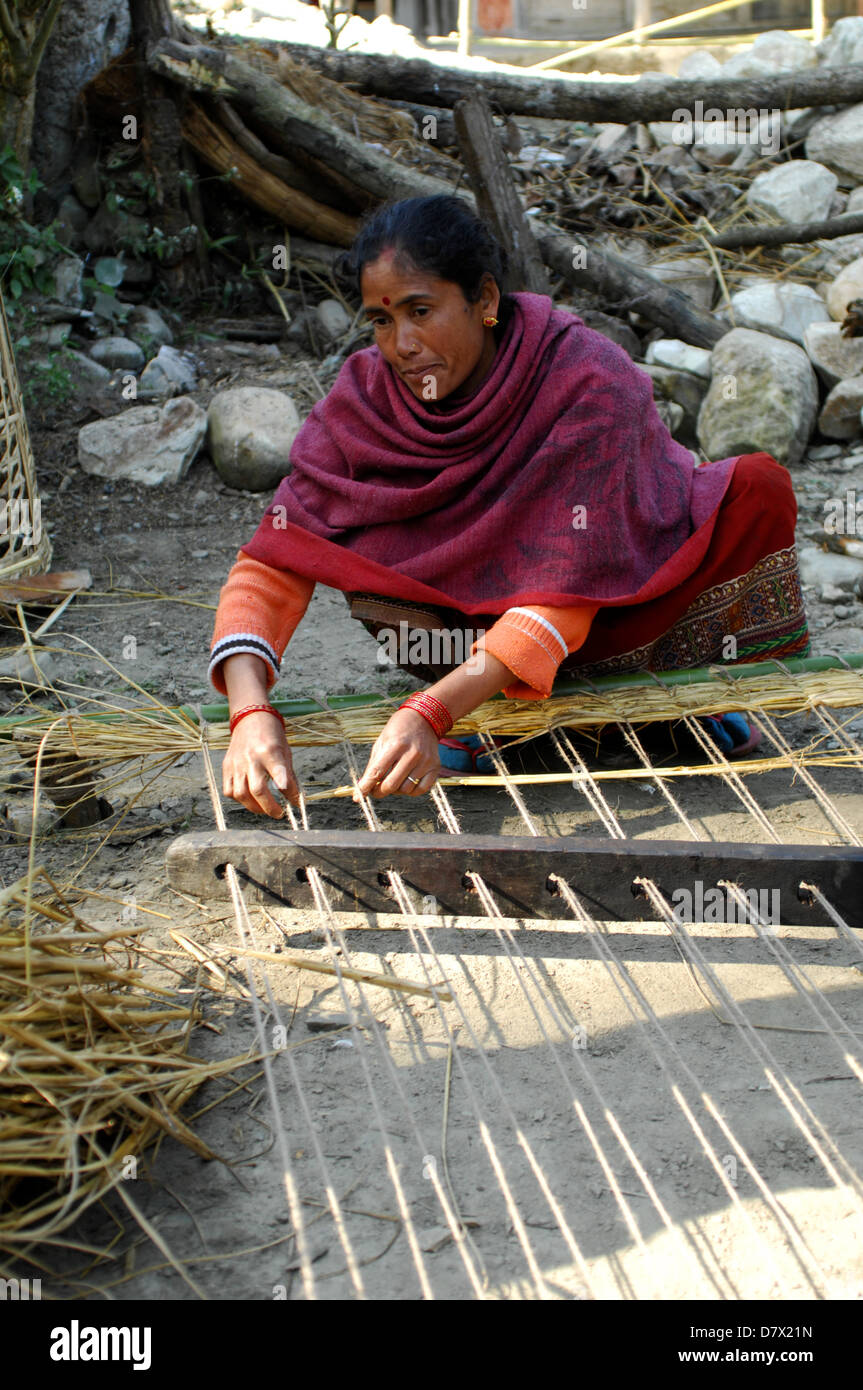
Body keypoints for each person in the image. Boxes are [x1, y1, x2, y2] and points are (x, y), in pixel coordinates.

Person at [209, 194, 809, 818]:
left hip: (624, 614)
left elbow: (569, 594)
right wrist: (250, 711)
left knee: (754, 490)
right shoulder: (363, 402)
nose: (402, 345)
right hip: (468, 640)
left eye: (421, 311)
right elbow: (271, 562)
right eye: (381, 322)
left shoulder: (583, 376)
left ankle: (673, 706)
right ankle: (500, 712)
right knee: (357, 555)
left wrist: (430, 712)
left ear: (486, 302)